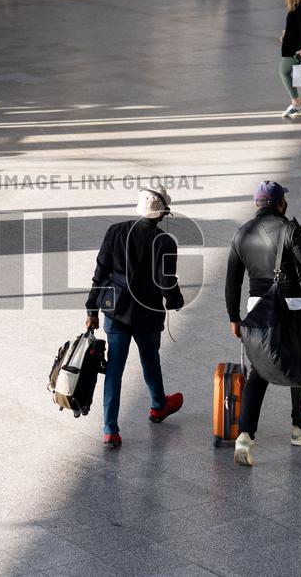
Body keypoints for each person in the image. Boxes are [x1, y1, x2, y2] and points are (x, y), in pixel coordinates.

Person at [226, 181, 301, 467]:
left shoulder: (241, 233)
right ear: (280, 203)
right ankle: (300, 429)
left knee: (259, 369)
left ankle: (244, 437)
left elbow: (232, 282)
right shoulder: (291, 230)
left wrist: (234, 318)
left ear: (258, 204)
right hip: (292, 305)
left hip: (257, 307)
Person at [85, 187, 185, 448]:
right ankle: (158, 405)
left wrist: (91, 310)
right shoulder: (164, 242)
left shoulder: (115, 231)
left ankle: (110, 429)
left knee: (115, 369)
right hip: (147, 313)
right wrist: (176, 301)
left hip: (116, 310)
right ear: (162, 214)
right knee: (150, 359)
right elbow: (166, 283)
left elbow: (100, 271)